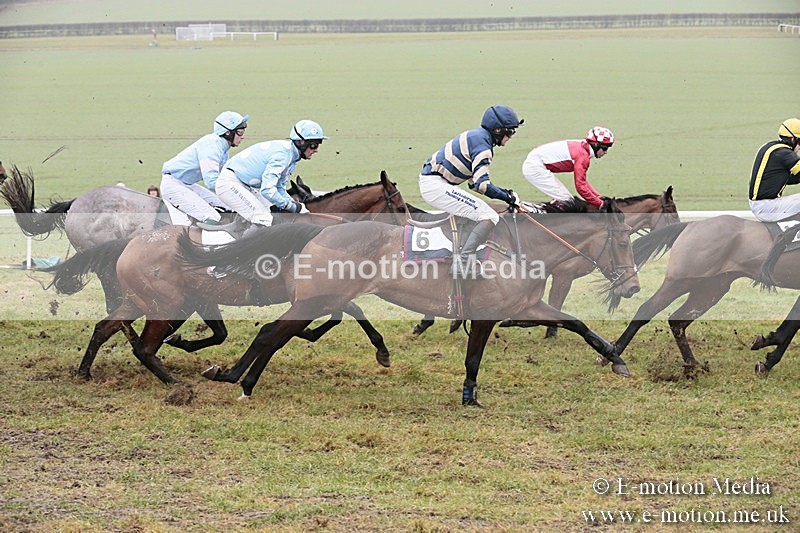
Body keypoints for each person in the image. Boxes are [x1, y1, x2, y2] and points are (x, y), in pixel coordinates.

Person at [418, 105, 523, 278]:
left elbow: (474, 184)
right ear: (497, 130)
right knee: (490, 216)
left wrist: (506, 193)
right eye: (510, 132)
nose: (511, 136)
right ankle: (463, 262)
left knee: (480, 211)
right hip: (435, 185)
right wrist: (508, 197)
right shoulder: (483, 148)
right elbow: (482, 185)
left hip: (437, 183)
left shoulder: (479, 137)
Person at [215, 119, 326, 227]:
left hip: (242, 184)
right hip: (229, 184)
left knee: (272, 213)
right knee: (263, 218)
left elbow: (279, 188)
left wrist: (295, 205)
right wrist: (292, 207)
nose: (316, 150)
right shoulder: (282, 156)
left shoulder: (292, 157)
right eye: (314, 145)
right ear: (302, 142)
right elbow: (267, 190)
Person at [160, 111, 248, 225]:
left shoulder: (223, 149)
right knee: (213, 216)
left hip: (187, 185)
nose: (243, 136)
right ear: (227, 133)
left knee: (229, 208)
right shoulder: (211, 144)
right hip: (173, 185)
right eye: (240, 132)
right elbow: (212, 182)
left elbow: (227, 178)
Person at [522, 126, 614, 208]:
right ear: (596, 145)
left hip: (536, 162)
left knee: (565, 200)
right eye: (605, 148)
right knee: (567, 202)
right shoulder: (583, 157)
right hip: (534, 167)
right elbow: (581, 187)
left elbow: (583, 182)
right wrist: (600, 204)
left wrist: (598, 197)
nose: (606, 152)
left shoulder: (583, 147)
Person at [748, 118, 800, 222]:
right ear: (793, 139)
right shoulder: (785, 153)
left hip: (762, 204)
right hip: (766, 207)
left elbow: (789, 178)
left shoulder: (771, 147)